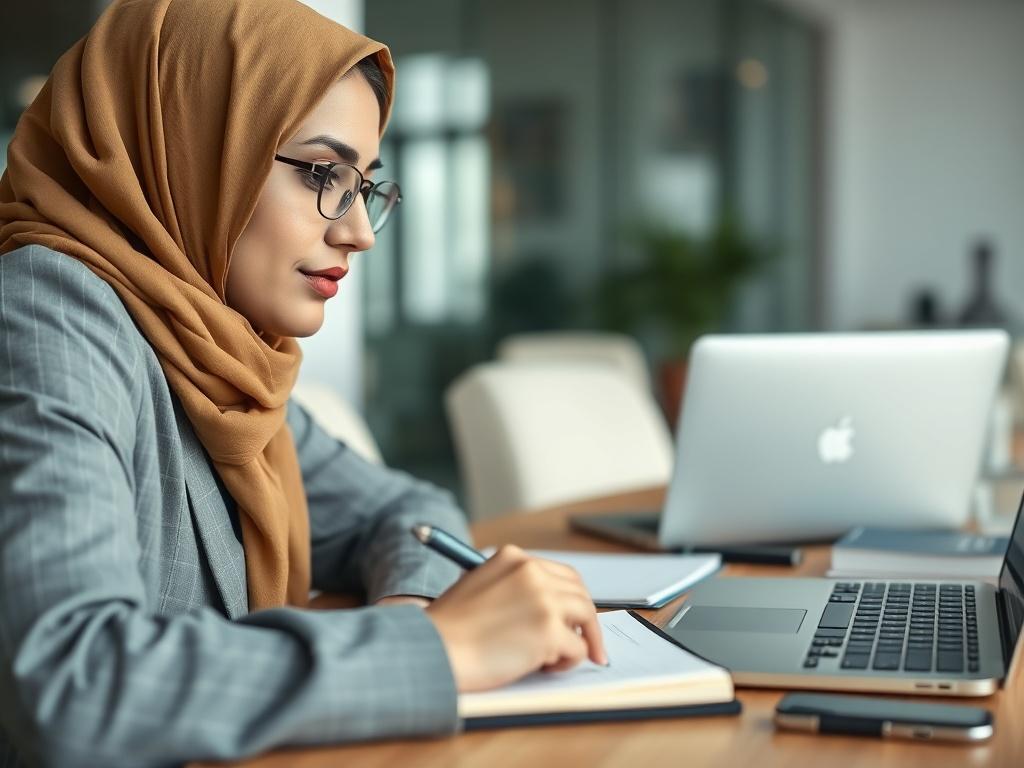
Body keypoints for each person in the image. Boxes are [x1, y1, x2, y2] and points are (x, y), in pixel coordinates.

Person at [0, 1, 606, 766]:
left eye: (364, 186)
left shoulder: (220, 357)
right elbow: (72, 681)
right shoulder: (46, 312)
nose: (355, 231)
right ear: (188, 145)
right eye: (324, 174)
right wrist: (433, 649)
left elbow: (406, 510)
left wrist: (416, 605)